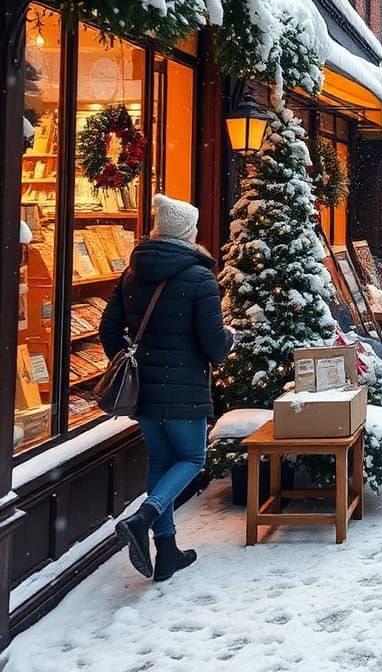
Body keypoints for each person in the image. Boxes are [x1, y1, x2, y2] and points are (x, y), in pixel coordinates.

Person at [100, 194, 233, 581]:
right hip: (185, 387)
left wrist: (132, 359)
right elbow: (213, 344)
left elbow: (108, 328)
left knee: (161, 461)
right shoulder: (199, 276)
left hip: (144, 392)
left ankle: (168, 552)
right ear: (188, 232)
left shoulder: (132, 272)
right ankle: (144, 516)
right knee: (192, 460)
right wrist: (229, 339)